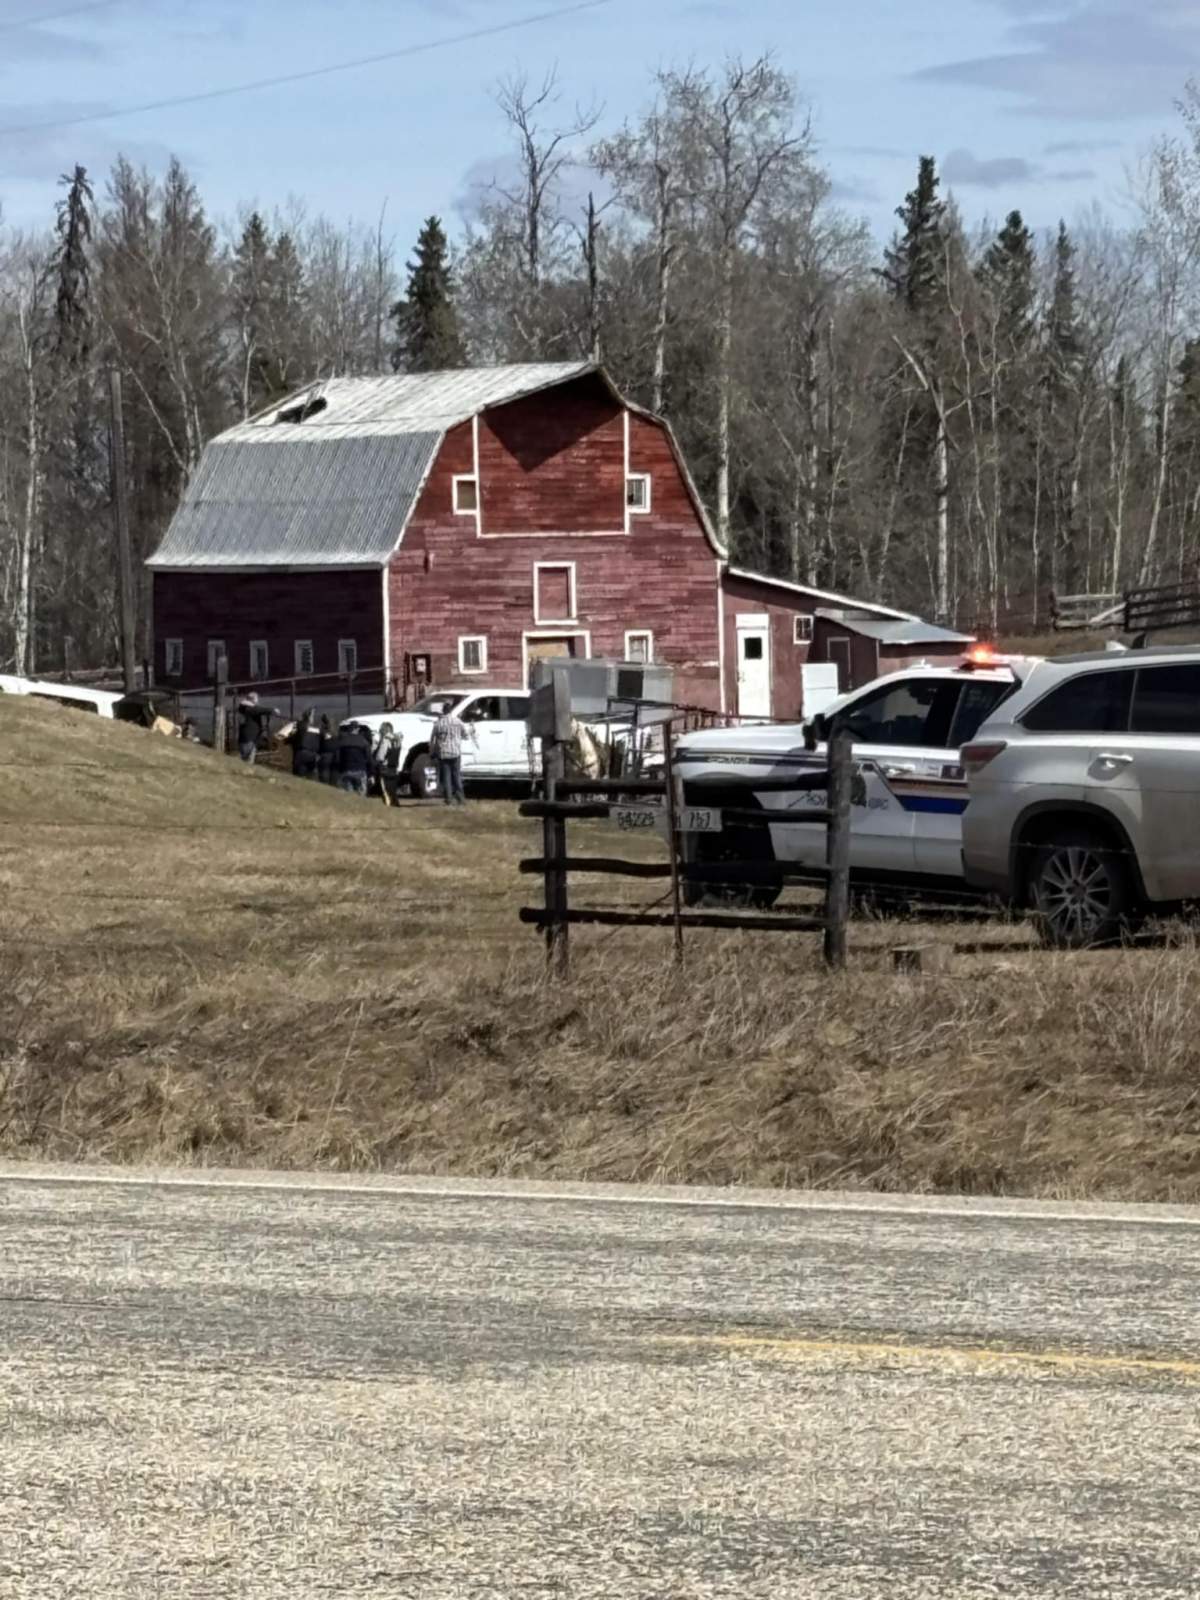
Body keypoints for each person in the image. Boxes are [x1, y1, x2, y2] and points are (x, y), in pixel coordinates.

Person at [430, 703, 474, 806]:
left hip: (443, 753)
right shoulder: (457, 722)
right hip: (455, 752)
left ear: (443, 711)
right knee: (456, 776)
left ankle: (448, 799)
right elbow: (466, 735)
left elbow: (433, 740)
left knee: (446, 777)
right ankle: (460, 798)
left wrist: (432, 752)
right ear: (450, 711)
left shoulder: (438, 724)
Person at [334, 720, 375, 796]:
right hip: (360, 771)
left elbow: (337, 758)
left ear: (349, 729)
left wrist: (339, 770)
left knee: (348, 796)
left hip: (346, 770)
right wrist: (371, 774)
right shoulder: (364, 742)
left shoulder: (342, 741)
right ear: (357, 729)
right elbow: (369, 759)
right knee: (361, 796)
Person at [236, 691, 274, 763]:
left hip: (244, 737)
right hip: (249, 738)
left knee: (244, 759)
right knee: (248, 760)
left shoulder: (243, 707)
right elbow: (261, 710)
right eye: (257, 699)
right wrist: (273, 710)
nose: (257, 701)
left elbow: (257, 709)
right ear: (253, 700)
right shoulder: (249, 709)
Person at [373, 722, 403, 805]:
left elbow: (380, 757)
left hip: (385, 770)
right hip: (394, 769)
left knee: (386, 793)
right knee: (393, 793)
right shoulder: (398, 740)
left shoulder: (386, 740)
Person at [288, 709, 322, 780]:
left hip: (301, 754)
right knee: (309, 777)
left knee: (299, 776)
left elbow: (290, 739)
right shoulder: (316, 730)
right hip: (311, 755)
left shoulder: (299, 727)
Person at [318, 714, 336, 785]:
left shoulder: (323, 732)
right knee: (331, 772)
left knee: (324, 771)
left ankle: (324, 783)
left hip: (325, 754)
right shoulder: (333, 732)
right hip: (332, 754)